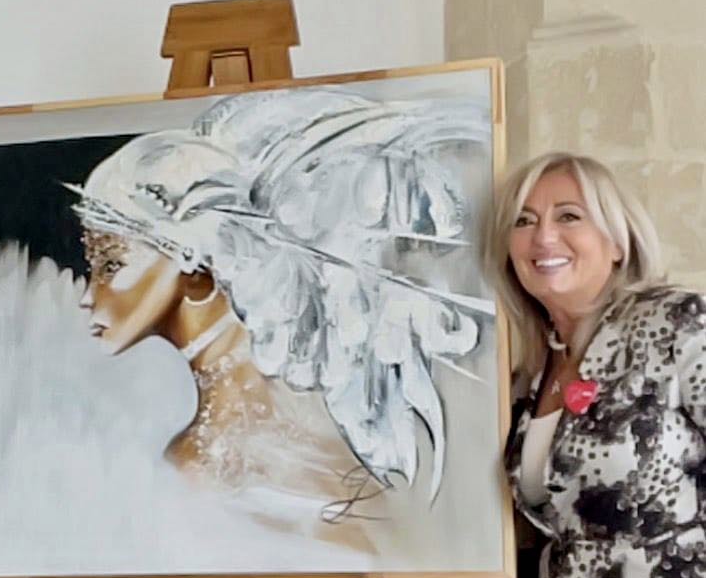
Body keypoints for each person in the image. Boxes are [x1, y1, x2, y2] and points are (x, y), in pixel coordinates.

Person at [72, 87, 492, 519]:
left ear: (192, 263)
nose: (88, 296)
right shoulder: (226, 447)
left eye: (110, 264)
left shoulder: (241, 463)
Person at [481, 152, 706, 578]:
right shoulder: (527, 378)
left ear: (618, 243)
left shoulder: (676, 325)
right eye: (524, 221)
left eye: (568, 216)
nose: (543, 237)